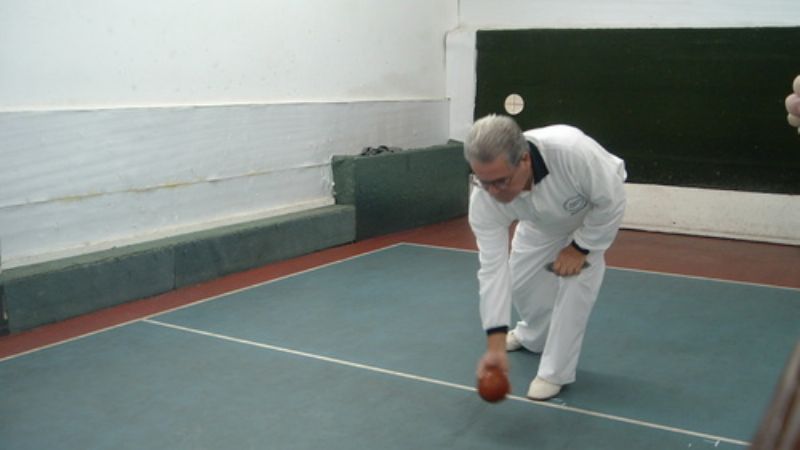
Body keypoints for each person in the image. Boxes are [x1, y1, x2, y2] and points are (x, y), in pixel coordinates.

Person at [465, 114, 627, 400]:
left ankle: (555, 372)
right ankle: (533, 337)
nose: (492, 192)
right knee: (522, 282)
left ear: (525, 160)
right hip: (539, 224)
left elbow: (611, 202)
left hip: (588, 217)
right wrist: (495, 343)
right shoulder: (485, 198)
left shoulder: (572, 152)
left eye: (501, 181)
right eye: (483, 181)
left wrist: (580, 247)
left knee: (574, 285)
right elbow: (492, 271)